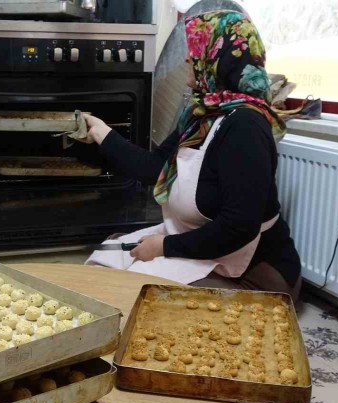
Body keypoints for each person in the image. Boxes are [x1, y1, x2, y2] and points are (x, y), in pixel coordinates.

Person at [83, 11, 302, 306]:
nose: (187, 59)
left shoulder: (245, 127)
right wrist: (101, 132)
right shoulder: (202, 115)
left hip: (255, 273)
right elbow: (154, 168)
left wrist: (165, 246)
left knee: (139, 298)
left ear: (218, 59)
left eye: (195, 50)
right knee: (107, 262)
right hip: (206, 246)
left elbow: (239, 227)